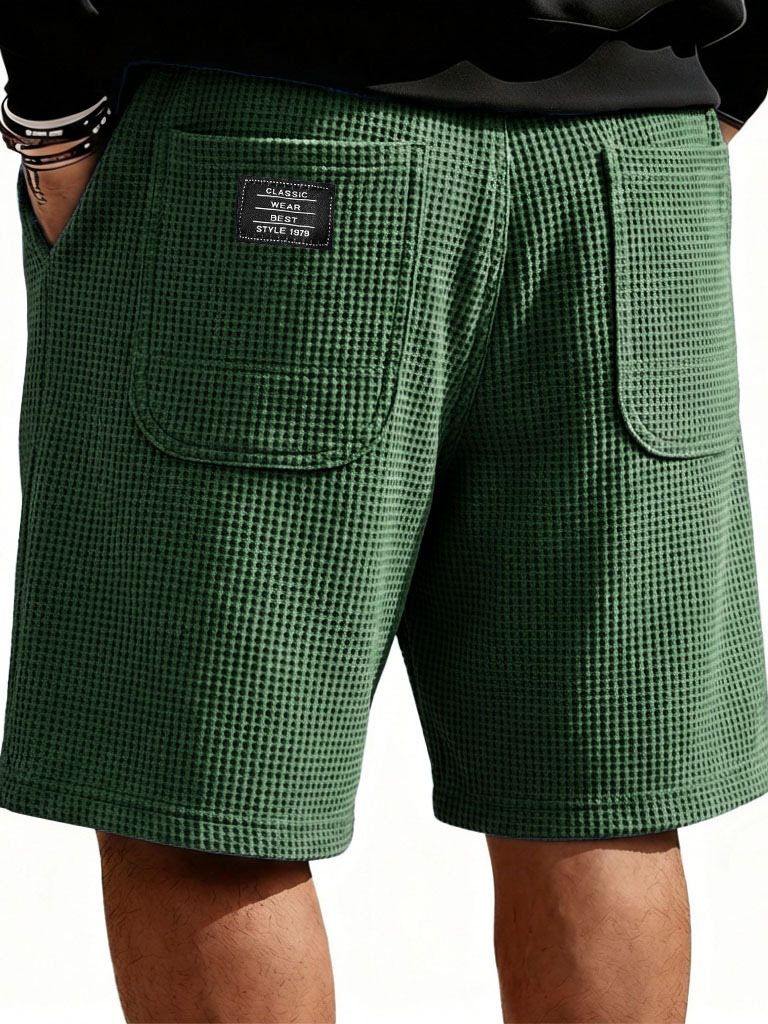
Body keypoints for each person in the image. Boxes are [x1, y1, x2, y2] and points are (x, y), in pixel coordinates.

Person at [0, 3, 766, 1022]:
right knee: (595, 798)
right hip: (635, 168)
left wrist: (53, 107)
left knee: (207, 805)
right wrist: (718, 84)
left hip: (267, 127)